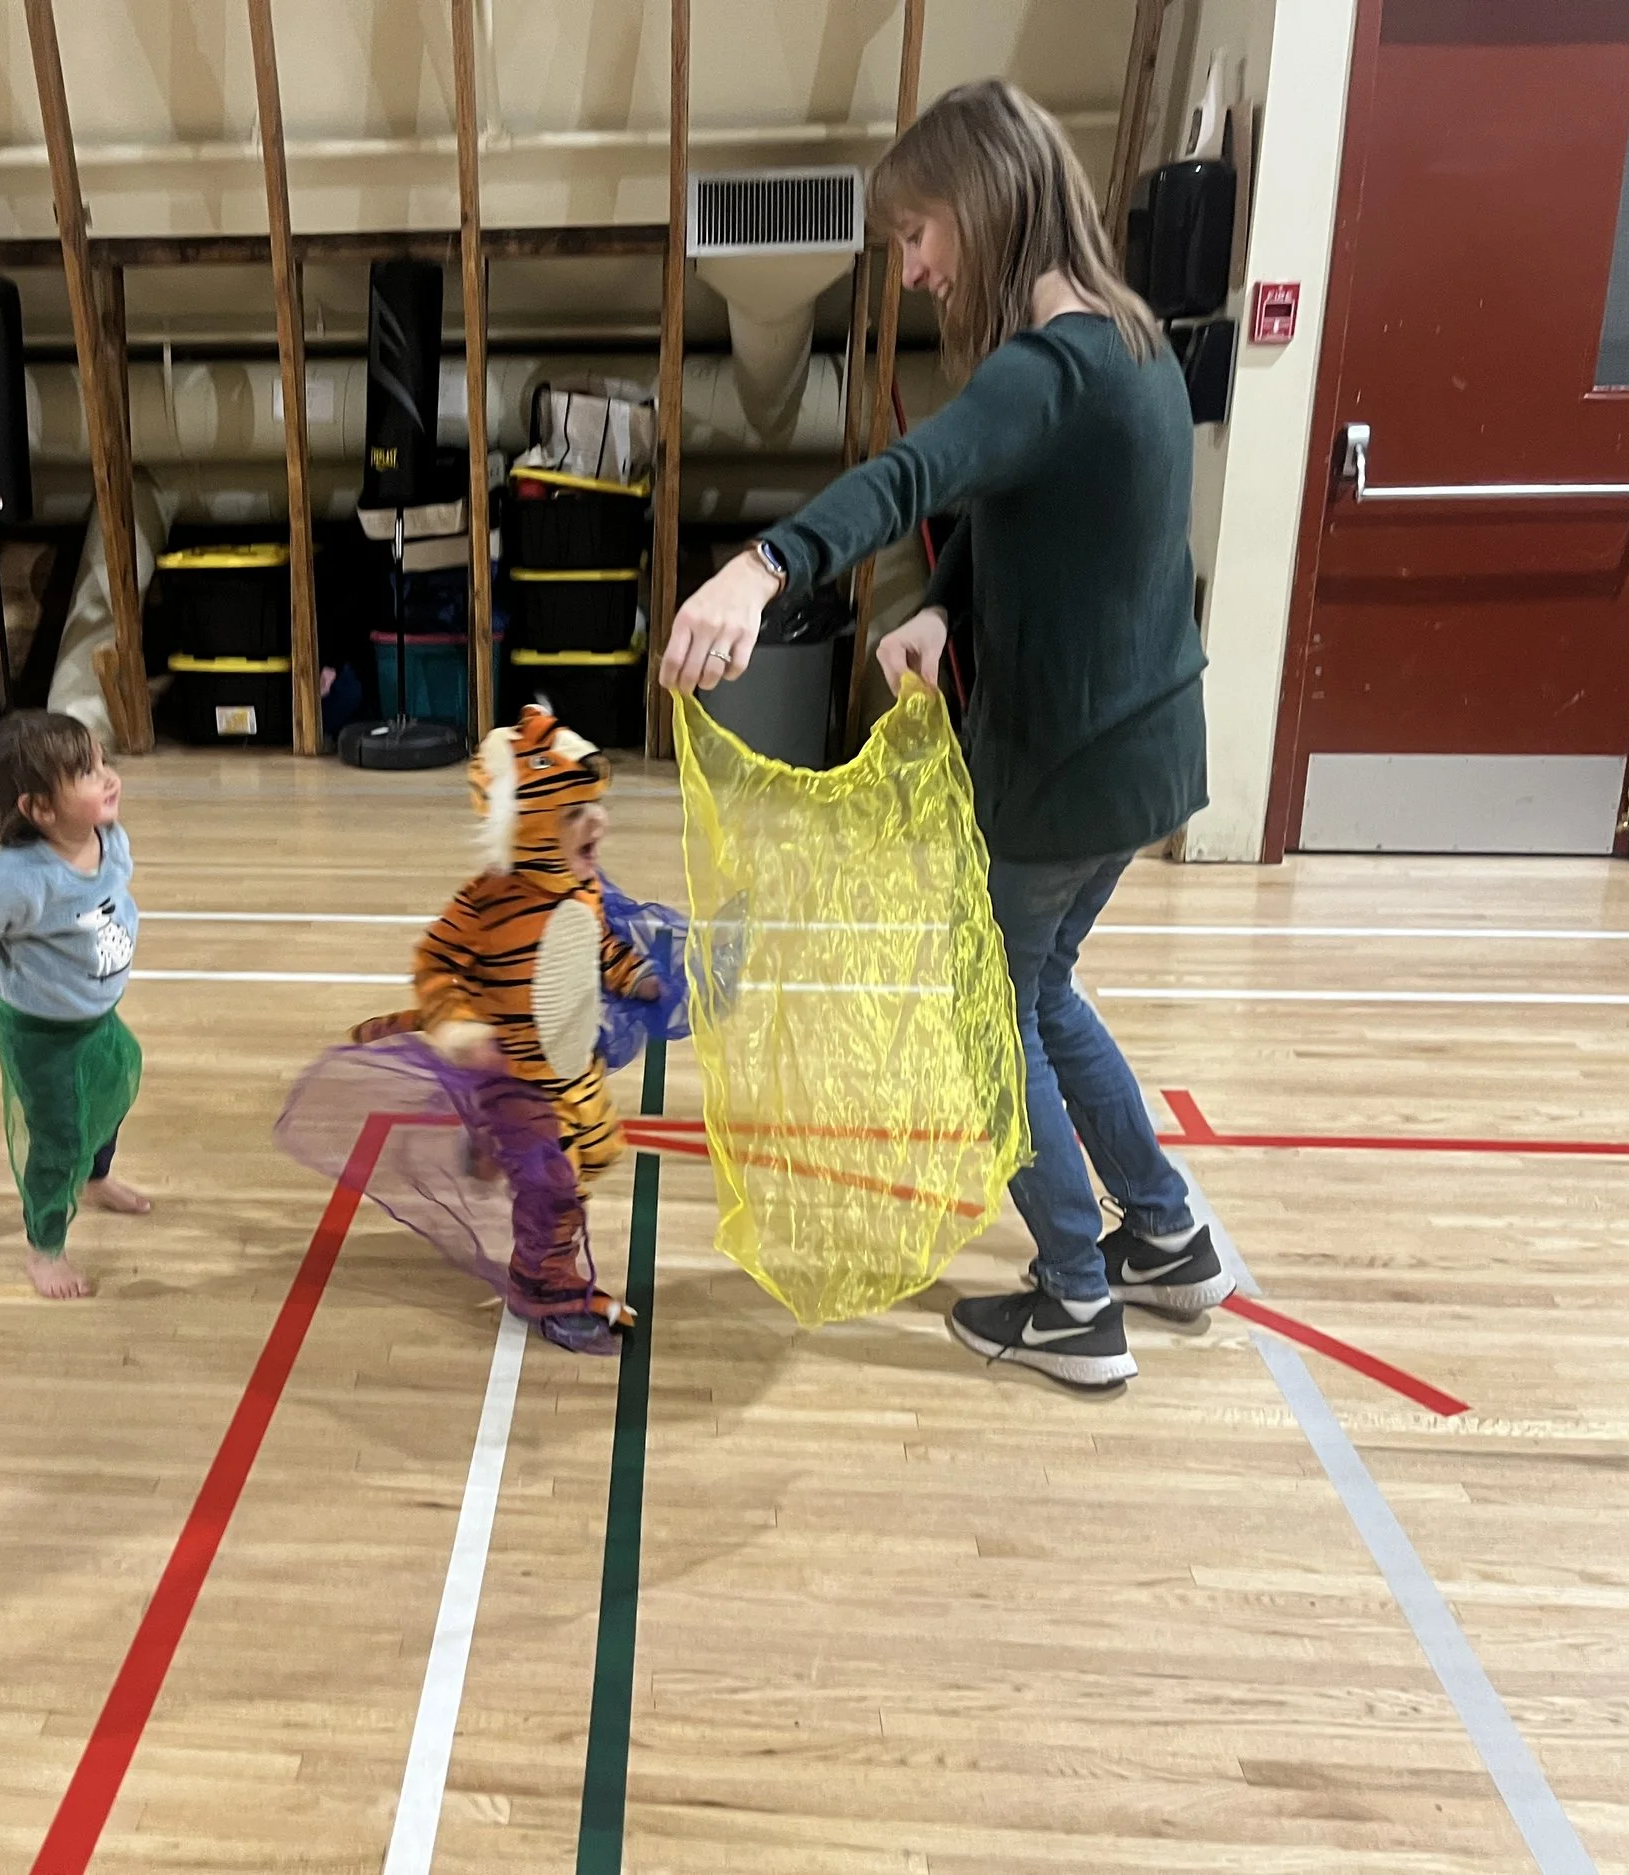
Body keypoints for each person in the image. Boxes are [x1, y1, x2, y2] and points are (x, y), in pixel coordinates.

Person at [658, 79, 1233, 1393]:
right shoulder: (1134, 345)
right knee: (1044, 988)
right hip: (1148, 750)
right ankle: (1164, 1230)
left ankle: (1079, 1297)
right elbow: (1032, 505)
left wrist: (764, 565)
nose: (913, 268)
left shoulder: (1048, 366)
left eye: (920, 233)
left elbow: (918, 471)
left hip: (1064, 762)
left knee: (994, 1016)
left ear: (982, 204)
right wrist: (941, 603)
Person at [275, 703, 661, 1354]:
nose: (596, 821)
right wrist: (455, 1024)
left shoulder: (580, 884)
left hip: (564, 1058)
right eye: (572, 813)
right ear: (526, 826)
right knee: (555, 1183)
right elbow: (435, 962)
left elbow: (593, 947)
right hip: (505, 1064)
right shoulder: (487, 900)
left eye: (595, 804)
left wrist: (632, 974)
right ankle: (545, 1285)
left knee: (599, 1150)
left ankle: (487, 1143)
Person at [0, 711, 150, 1300]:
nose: (107, 777)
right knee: (58, 1139)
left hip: (96, 1016)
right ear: (38, 809)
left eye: (102, 762)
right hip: (43, 1034)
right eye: (85, 772)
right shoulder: (20, 881)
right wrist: (9, 972)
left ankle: (96, 1179)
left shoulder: (109, 839)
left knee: (114, 1089)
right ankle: (44, 1249)